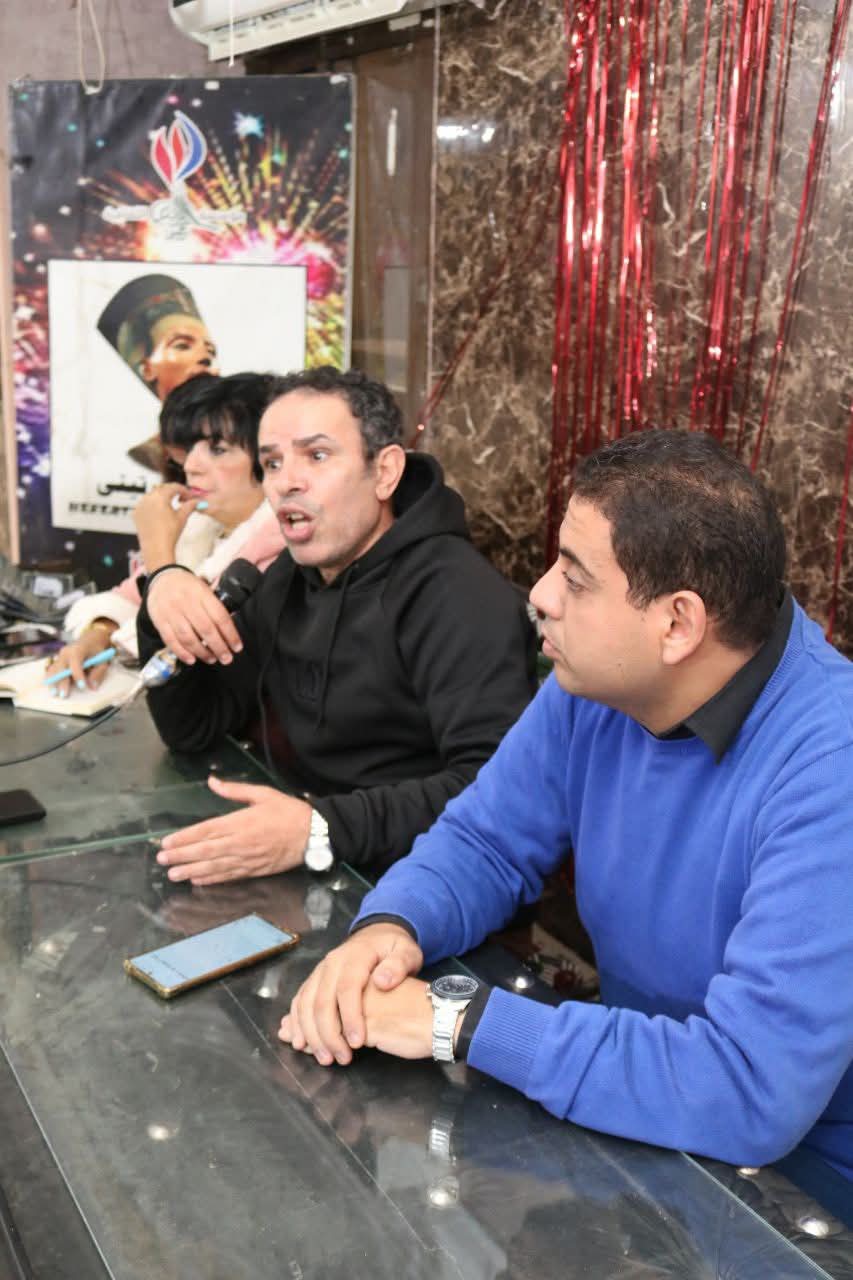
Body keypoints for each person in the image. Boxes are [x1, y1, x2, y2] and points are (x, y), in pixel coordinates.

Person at [280, 429, 853, 1183]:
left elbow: (749, 1088)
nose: (541, 596)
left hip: (796, 1195)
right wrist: (392, 927)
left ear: (677, 624)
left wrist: (460, 1019)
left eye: (576, 579)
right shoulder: (598, 684)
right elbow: (485, 841)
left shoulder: (829, 767)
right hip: (630, 1123)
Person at [139, 366, 537, 882]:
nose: (287, 482)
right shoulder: (287, 577)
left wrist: (321, 828)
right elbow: (194, 728)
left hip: (422, 886)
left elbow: (498, 793)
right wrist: (163, 598)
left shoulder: (456, 593)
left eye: (317, 456)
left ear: (385, 472)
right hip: (316, 861)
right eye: (273, 463)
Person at [47, 372, 284, 698]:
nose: (191, 466)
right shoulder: (203, 530)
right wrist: (97, 633)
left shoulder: (279, 546)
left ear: (270, 461)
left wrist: (158, 551)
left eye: (218, 449)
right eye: (189, 450)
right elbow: (129, 598)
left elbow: (184, 639)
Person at [97, 272, 220, 471]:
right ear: (147, 369)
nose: (206, 358)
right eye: (182, 346)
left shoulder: (247, 439)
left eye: (211, 351)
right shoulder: (151, 454)